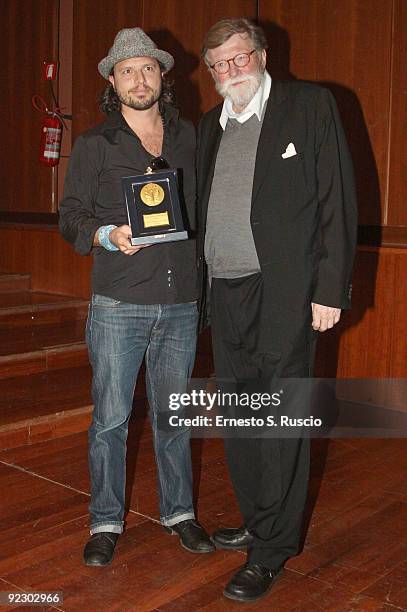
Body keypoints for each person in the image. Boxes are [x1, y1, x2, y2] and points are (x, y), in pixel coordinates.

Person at [197, 18, 357, 602]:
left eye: (239, 58)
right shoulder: (210, 127)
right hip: (226, 292)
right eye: (218, 64)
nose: (230, 70)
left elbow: (338, 200)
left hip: (286, 295)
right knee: (240, 417)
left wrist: (329, 291)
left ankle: (271, 550)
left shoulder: (309, 106)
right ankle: (258, 517)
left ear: (261, 56)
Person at [59, 27, 214, 567]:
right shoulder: (94, 145)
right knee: (110, 419)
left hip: (180, 302)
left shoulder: (189, 137)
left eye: (147, 67)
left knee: (176, 416)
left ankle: (179, 513)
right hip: (118, 304)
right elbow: (71, 215)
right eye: (127, 70)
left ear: (162, 76)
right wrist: (106, 234)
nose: (139, 78)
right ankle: (105, 520)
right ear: (112, 80)